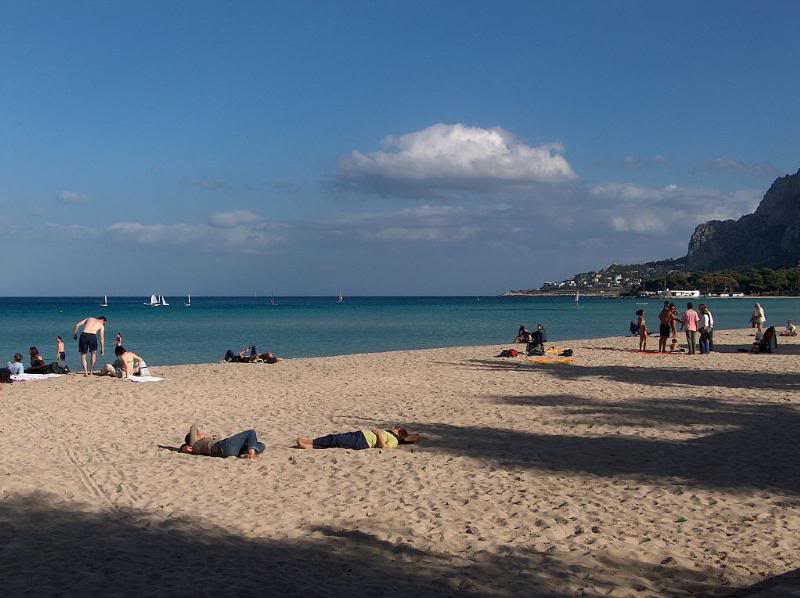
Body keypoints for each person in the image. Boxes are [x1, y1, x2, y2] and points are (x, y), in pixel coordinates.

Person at [179, 424, 265, 459]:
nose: (201, 433)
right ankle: (251, 452)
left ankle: (245, 453)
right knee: (251, 432)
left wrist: (182, 448)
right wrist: (183, 447)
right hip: (223, 446)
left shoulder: (195, 447)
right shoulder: (194, 443)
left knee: (261, 444)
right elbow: (193, 427)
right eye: (199, 434)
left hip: (227, 452)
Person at [296, 427, 419, 450]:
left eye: (396, 428)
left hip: (362, 441)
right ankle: (309, 446)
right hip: (360, 436)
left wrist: (379, 434)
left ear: (399, 433)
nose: (393, 427)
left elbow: (385, 448)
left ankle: (308, 441)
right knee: (337, 442)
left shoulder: (394, 440)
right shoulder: (389, 433)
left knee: (335, 439)